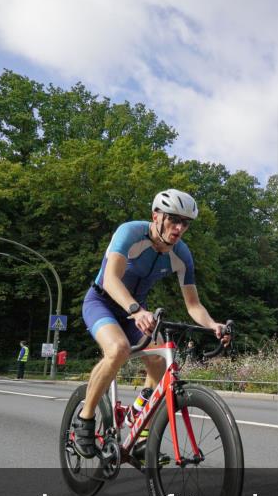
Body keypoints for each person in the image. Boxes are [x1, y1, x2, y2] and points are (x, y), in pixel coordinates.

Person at [75, 189, 228, 457]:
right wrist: (135, 310)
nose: (179, 228)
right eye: (173, 219)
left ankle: (140, 420)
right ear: (155, 216)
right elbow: (111, 280)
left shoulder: (182, 254)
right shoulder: (130, 233)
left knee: (160, 359)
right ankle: (85, 420)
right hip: (101, 302)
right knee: (118, 349)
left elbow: (193, 305)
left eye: (185, 223)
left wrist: (212, 325)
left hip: (136, 311)